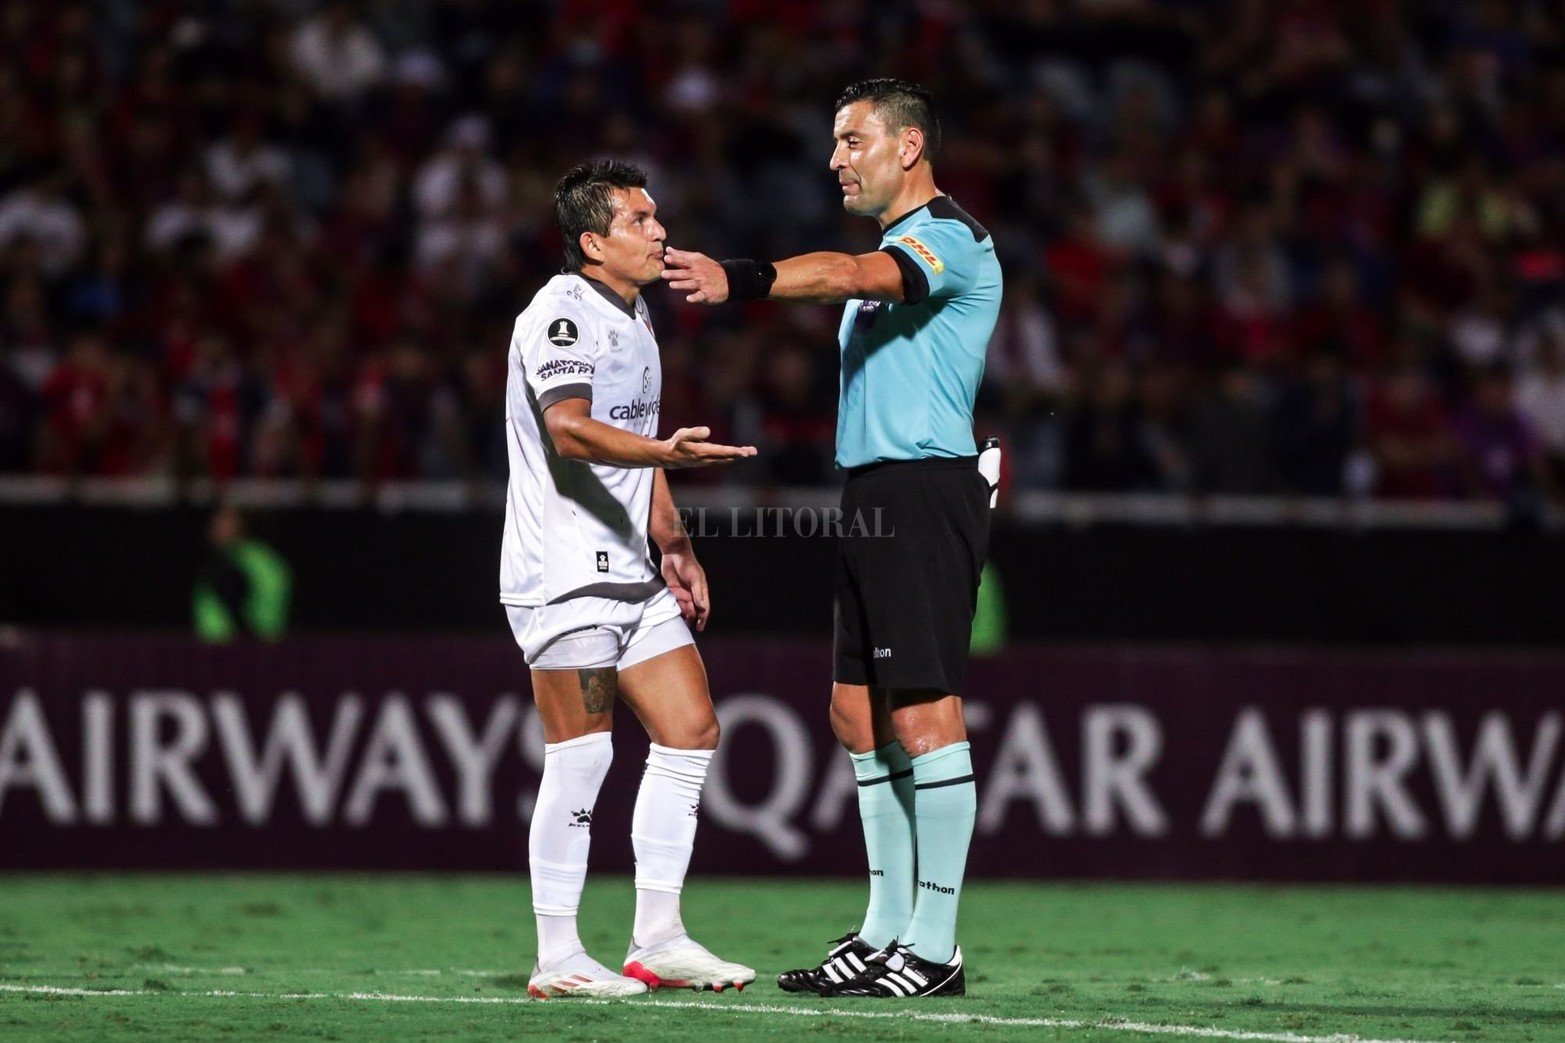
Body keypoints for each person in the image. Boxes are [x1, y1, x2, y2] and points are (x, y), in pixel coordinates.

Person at [663, 78, 1002, 999]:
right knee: (854, 713)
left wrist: (741, 278)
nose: (834, 158)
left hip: (925, 490)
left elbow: (853, 276)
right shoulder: (902, 243)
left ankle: (934, 947)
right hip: (874, 492)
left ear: (908, 146)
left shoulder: (950, 238)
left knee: (924, 713)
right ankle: (886, 928)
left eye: (853, 140)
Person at [503, 160, 758, 999]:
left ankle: (658, 937)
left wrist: (675, 543)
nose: (659, 231)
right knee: (580, 757)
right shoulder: (560, 316)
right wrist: (665, 453)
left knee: (691, 730)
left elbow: (641, 442)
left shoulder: (636, 311)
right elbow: (572, 433)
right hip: (564, 571)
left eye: (657, 217)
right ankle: (558, 956)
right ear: (592, 242)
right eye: (641, 221)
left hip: (631, 565)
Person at [193, 503, 292, 642]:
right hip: (251, 644)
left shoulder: (238, 561)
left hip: (236, 647)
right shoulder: (260, 557)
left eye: (222, 522)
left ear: (241, 524)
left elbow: (236, 603)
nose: (214, 527)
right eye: (214, 522)